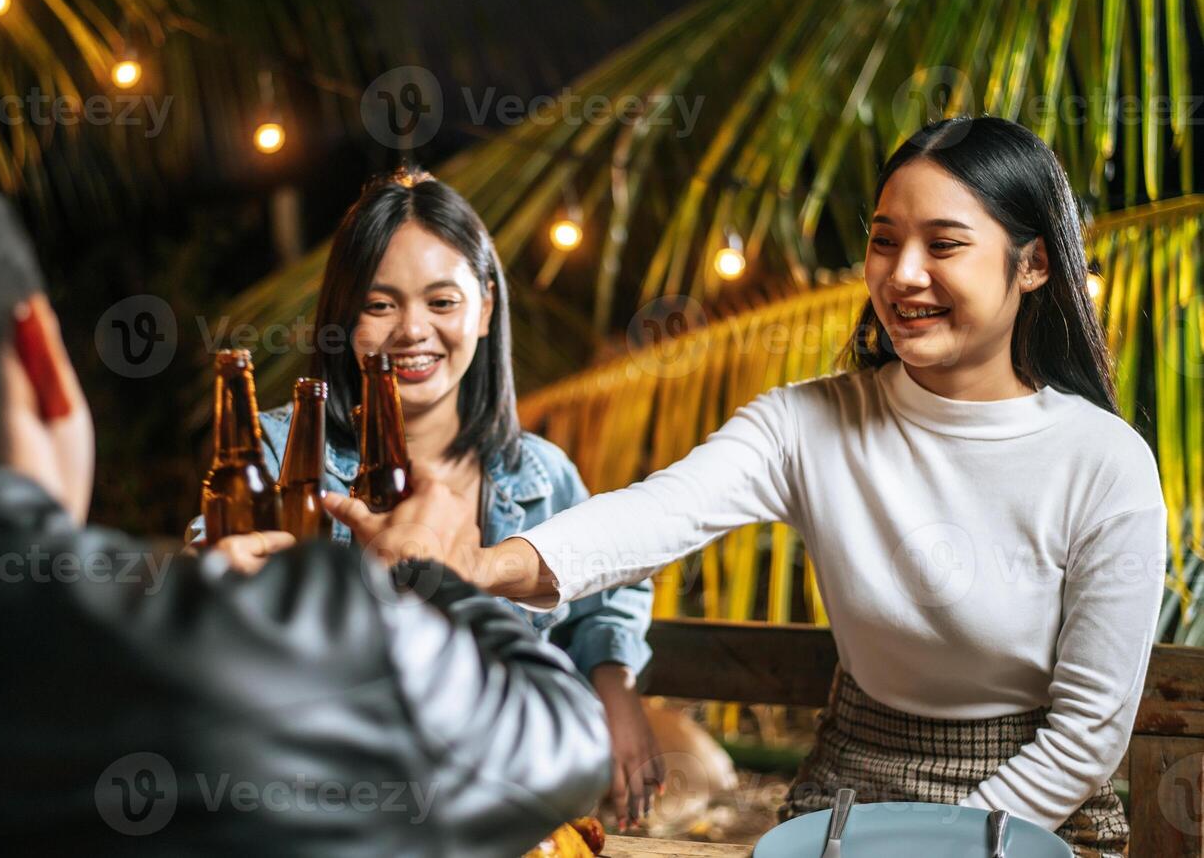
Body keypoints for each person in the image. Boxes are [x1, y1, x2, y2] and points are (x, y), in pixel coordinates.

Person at [0, 144, 610, 857]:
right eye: (381, 303)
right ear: (40, 355)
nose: (411, 327)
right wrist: (428, 575)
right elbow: (563, 742)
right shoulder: (281, 636)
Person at [333, 117, 1168, 858]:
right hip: (850, 791)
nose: (903, 274)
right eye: (884, 240)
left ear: (1032, 265)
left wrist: (947, 844)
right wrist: (481, 565)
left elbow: (1087, 737)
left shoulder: (1104, 462)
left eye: (943, 245)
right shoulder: (809, 422)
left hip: (1038, 810)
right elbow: (652, 516)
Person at [191, 167, 660, 828]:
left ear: (486, 306)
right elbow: (211, 574)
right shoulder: (276, 452)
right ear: (343, 317)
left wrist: (616, 687)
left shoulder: (540, 473)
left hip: (503, 802)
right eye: (380, 305)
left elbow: (606, 592)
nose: (412, 330)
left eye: (442, 302)